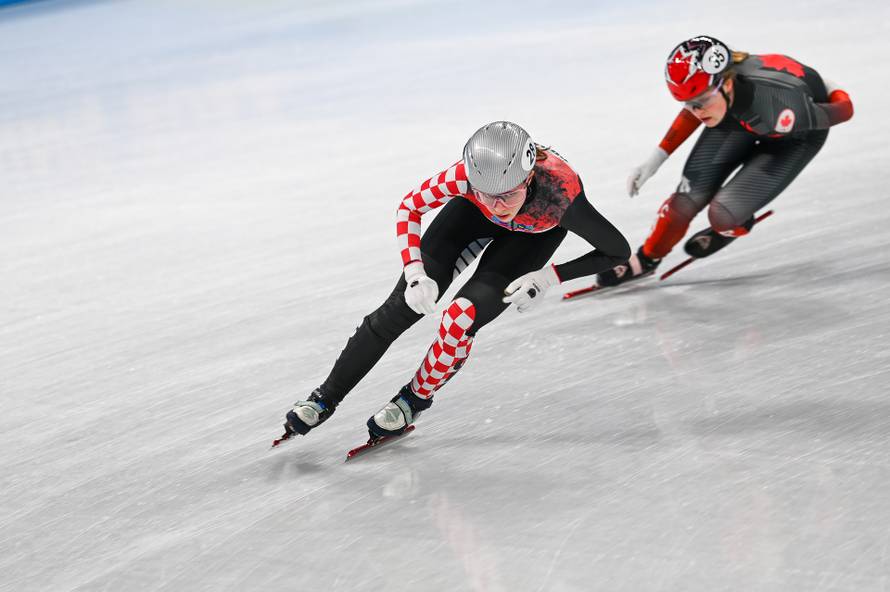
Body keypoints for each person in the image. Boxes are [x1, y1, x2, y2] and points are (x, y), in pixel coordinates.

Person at [281, 121, 630, 441]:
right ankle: (325, 397)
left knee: (459, 318)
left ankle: (413, 399)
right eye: (485, 192)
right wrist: (415, 272)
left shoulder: (560, 195)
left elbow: (618, 251)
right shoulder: (464, 178)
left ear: (527, 180)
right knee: (400, 307)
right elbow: (409, 208)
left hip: (531, 238)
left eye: (507, 194)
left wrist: (548, 277)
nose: (496, 206)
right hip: (468, 218)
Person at [597, 35, 854, 286]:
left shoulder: (779, 107)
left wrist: (830, 87)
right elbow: (695, 105)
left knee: (723, 214)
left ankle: (735, 222)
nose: (697, 111)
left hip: (795, 137)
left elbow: (845, 110)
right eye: (688, 104)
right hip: (738, 117)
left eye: (702, 102)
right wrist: (656, 158)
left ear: (727, 84)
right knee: (687, 198)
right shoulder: (716, 93)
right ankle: (646, 259)